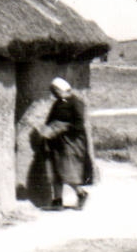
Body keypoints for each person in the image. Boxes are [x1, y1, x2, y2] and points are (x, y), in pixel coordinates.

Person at [35, 77, 94, 210]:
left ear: (61, 90)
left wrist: (63, 127)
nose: (53, 94)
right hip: (55, 141)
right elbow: (49, 120)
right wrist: (48, 130)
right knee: (54, 169)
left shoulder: (76, 103)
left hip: (70, 142)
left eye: (55, 91)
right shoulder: (57, 103)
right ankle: (57, 200)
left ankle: (81, 193)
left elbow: (79, 124)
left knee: (67, 169)